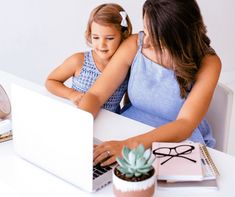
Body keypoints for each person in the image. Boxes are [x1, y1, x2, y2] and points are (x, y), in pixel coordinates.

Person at [78, 0, 222, 167]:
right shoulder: (134, 44)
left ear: (176, 37)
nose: (144, 41)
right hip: (127, 130)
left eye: (153, 35)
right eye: (145, 30)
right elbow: (95, 95)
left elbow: (185, 124)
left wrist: (128, 145)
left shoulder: (209, 63)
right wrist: (79, 126)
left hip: (176, 143)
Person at [45, 3, 132, 113]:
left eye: (109, 38)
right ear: (89, 35)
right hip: (79, 117)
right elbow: (51, 81)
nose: (102, 44)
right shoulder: (79, 61)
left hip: (109, 123)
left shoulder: (127, 68)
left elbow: (129, 100)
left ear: (123, 35)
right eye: (96, 37)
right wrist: (71, 94)